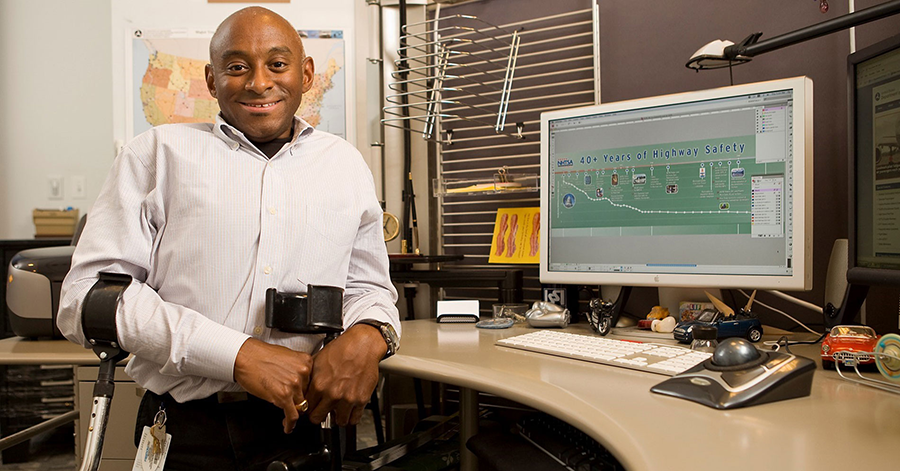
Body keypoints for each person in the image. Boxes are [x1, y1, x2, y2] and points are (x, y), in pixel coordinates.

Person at [57, 6, 400, 470]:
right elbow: (86, 300)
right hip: (186, 429)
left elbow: (368, 288)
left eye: (277, 64)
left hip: (306, 428)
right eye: (237, 67)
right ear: (211, 80)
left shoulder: (345, 165)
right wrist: (237, 355)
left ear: (307, 73)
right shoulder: (156, 155)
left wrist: (369, 333)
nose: (259, 82)